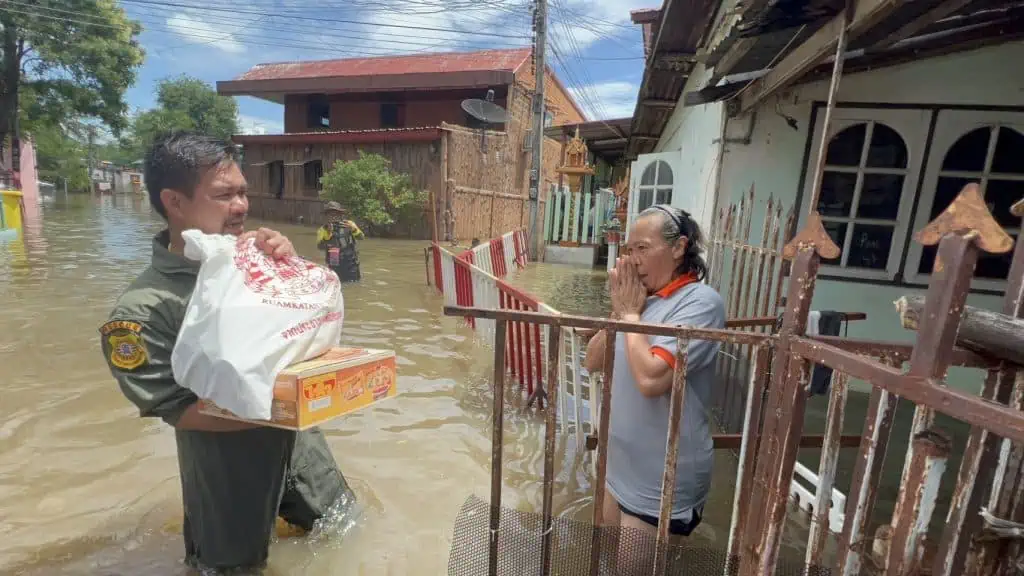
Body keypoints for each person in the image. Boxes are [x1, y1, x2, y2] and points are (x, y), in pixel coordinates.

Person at [99, 132, 353, 574]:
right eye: (224, 195)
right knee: (232, 567)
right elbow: (179, 411)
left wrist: (288, 270)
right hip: (227, 472)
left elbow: (301, 342)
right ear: (174, 202)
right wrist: (278, 407)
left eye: (243, 192)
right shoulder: (142, 312)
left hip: (304, 452)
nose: (241, 206)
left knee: (342, 533)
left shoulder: (252, 263)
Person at [583, 204, 725, 573]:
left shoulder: (700, 303)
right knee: (606, 565)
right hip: (618, 468)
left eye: (642, 248)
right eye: (629, 250)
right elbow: (593, 361)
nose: (633, 260)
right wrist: (620, 313)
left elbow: (650, 380)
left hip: (660, 482)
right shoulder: (641, 300)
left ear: (679, 248)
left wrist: (631, 317)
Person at [317, 201, 364, 282]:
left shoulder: (349, 224)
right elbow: (320, 247)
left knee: (354, 284)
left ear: (340, 214)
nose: (333, 217)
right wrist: (328, 234)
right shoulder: (323, 229)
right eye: (330, 214)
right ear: (326, 216)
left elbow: (361, 237)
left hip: (351, 262)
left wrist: (353, 229)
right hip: (334, 262)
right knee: (337, 284)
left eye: (336, 214)